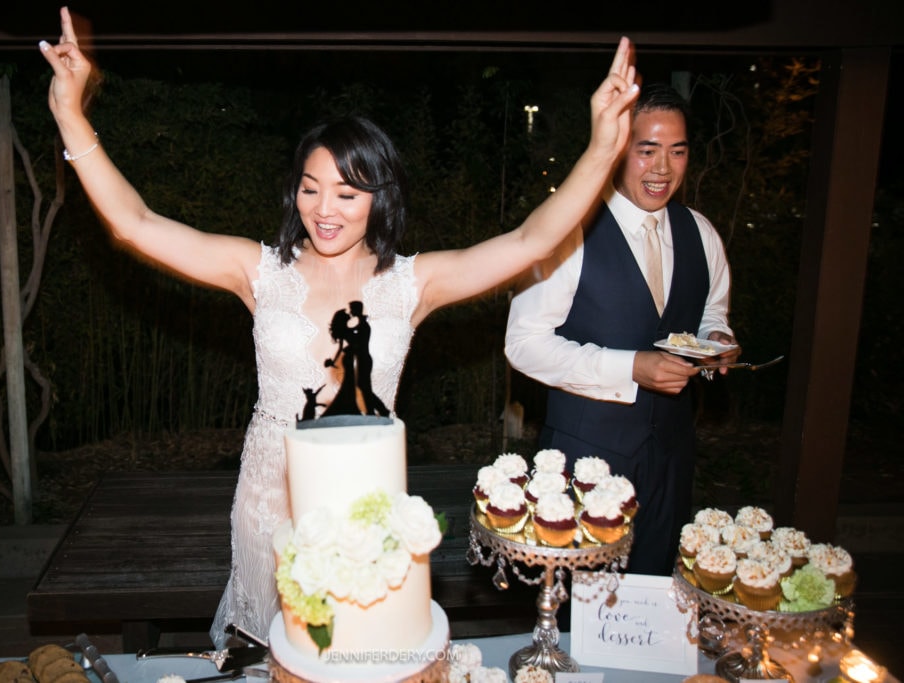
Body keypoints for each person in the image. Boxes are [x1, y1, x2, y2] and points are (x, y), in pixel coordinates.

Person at [39, 6, 640, 644]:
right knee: (279, 648)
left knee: (360, 649)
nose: (324, 210)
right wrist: (71, 113)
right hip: (271, 498)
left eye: (347, 194)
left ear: (380, 197)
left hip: (366, 499)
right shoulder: (257, 271)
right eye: (310, 188)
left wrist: (604, 145)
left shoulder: (414, 283)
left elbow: (530, 239)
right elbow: (135, 224)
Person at [504, 82, 739, 576]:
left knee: (652, 599)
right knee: (576, 601)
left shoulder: (702, 233)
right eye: (646, 150)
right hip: (584, 456)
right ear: (616, 151)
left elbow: (712, 313)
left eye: (677, 151)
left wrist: (716, 342)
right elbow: (522, 346)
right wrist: (630, 367)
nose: (662, 168)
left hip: (671, 456)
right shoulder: (568, 230)